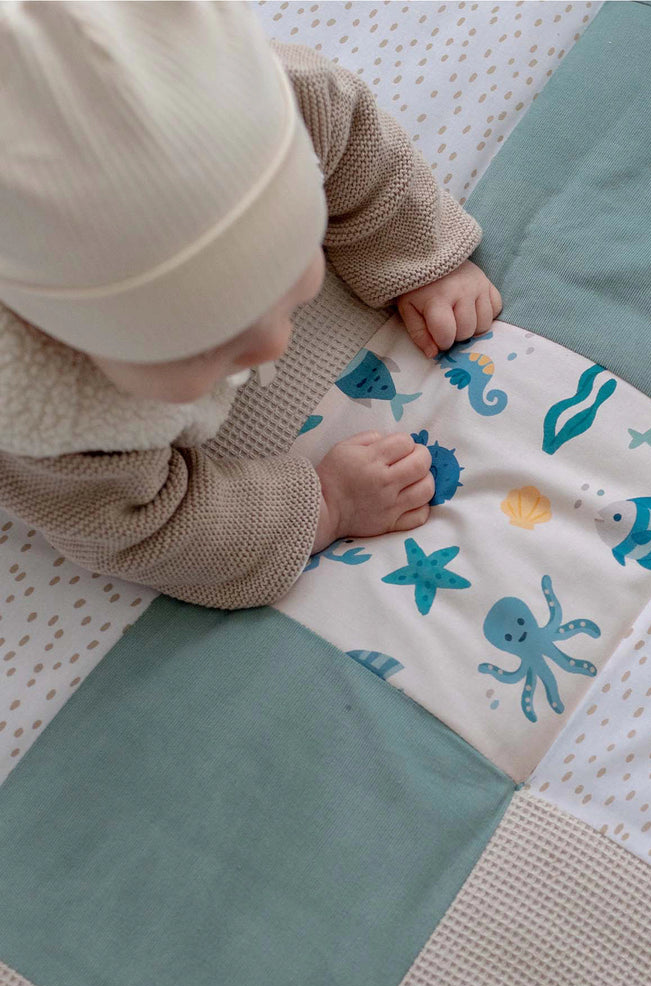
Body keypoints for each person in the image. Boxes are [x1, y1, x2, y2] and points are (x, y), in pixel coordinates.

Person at [0, 1, 502, 609]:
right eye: (204, 345)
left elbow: (349, 142)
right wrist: (324, 504)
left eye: (291, 277)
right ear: (66, 344)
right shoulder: (46, 412)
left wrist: (415, 250)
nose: (273, 344)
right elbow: (139, 528)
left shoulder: (282, 103)